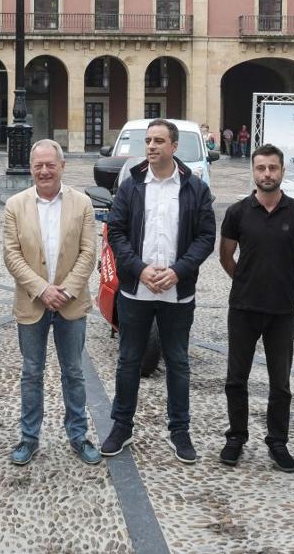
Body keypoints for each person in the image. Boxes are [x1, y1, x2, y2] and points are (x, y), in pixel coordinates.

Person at [100, 119, 216, 464]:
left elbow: (206, 237)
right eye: (148, 141)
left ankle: (179, 431)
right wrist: (139, 269)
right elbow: (116, 231)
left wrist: (179, 272)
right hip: (137, 291)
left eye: (159, 141)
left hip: (177, 294)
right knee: (128, 361)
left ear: (174, 147)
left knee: (178, 363)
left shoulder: (195, 188)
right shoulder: (133, 185)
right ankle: (122, 426)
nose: (151, 146)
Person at [2, 139, 102, 467]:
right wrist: (43, 290)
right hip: (32, 303)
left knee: (73, 372)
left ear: (62, 166)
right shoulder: (15, 205)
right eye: (38, 165)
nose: (44, 171)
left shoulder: (82, 203)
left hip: (71, 304)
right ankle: (29, 438)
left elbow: (89, 252)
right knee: (31, 372)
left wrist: (66, 290)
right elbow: (11, 255)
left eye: (50, 165)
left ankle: (78, 434)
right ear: (31, 168)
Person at [218, 144, 294, 472]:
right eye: (261, 168)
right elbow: (226, 257)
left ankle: (278, 442)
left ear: (282, 171)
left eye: (273, 168)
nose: (267, 174)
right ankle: (236, 437)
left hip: (282, 310)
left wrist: (277, 279)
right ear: (254, 172)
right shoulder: (237, 212)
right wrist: (246, 279)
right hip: (243, 307)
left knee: (280, 382)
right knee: (235, 378)